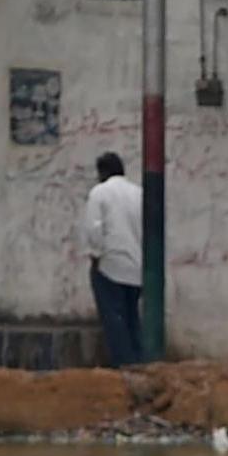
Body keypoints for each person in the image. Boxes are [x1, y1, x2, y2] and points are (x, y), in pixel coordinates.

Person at [84, 152, 144, 367]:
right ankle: (140, 364)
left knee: (114, 319)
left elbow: (94, 229)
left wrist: (96, 256)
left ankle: (123, 366)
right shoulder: (139, 193)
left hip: (111, 266)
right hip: (137, 268)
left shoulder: (99, 193)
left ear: (102, 172)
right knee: (132, 319)